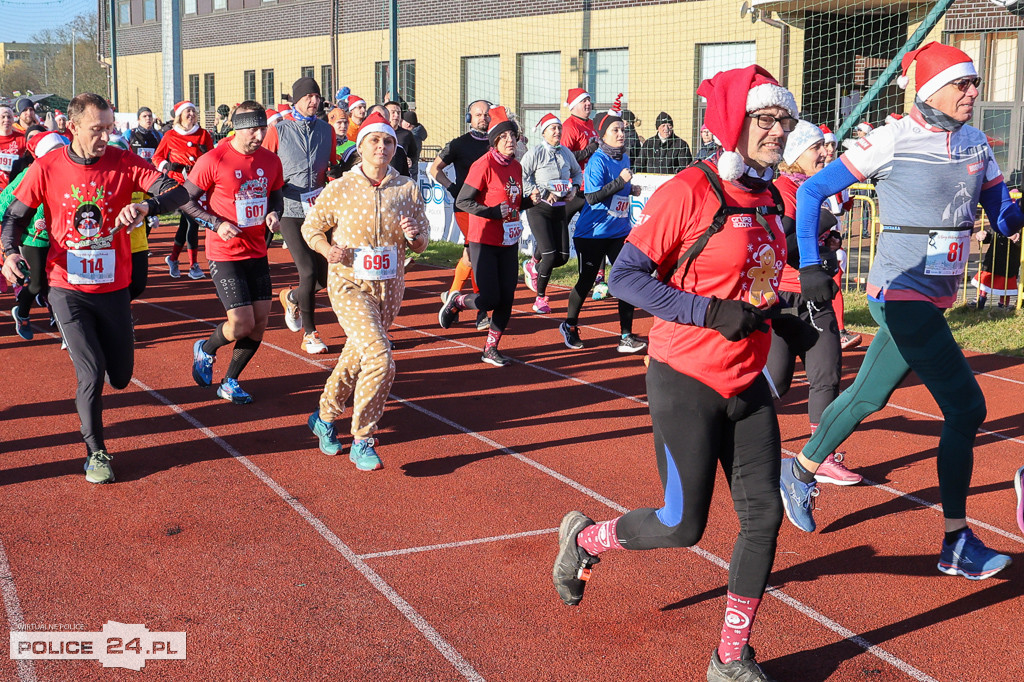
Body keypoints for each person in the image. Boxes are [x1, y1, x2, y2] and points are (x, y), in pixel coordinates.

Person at [553, 65, 796, 682]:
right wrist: (709, 311)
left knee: (763, 516)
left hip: (748, 382)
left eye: (783, 122)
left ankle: (730, 657)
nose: (777, 131)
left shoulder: (770, 197)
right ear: (734, 124)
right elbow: (626, 279)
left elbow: (760, 282)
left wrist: (800, 300)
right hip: (686, 378)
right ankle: (586, 540)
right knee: (681, 526)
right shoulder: (688, 191)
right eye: (766, 120)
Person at [780, 42, 1024, 580]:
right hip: (898, 292)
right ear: (931, 87)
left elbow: (1002, 222)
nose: (973, 92)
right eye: (963, 84)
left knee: (870, 394)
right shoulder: (891, 139)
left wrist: (1019, 209)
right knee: (968, 409)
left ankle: (799, 469)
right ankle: (956, 540)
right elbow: (812, 192)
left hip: (935, 296)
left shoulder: (978, 143)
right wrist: (812, 263)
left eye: (975, 83)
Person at [1, 93, 187, 484]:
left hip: (114, 287)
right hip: (65, 286)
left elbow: (179, 192)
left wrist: (146, 208)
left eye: (109, 127)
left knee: (120, 375)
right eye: (97, 128)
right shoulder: (48, 166)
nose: (106, 135)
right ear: (72, 128)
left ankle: (118, 341)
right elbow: (15, 217)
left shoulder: (124, 162)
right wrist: (8, 253)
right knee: (92, 371)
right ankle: (96, 452)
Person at [302, 111, 428, 469]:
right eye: (374, 140)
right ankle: (363, 437)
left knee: (357, 356)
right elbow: (311, 228)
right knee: (380, 357)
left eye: (388, 141)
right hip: (348, 283)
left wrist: (414, 236)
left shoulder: (405, 187)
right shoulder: (340, 187)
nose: (382, 147)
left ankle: (324, 416)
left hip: (390, 288)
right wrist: (328, 250)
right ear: (360, 147)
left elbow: (422, 241)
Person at [159, 101, 284, 404]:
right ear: (238, 129)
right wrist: (215, 223)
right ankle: (207, 348)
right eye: (254, 128)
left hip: (257, 249)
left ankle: (231, 381)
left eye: (262, 128)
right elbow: (184, 200)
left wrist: (274, 214)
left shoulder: (270, 160)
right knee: (241, 323)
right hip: (225, 252)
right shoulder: (213, 159)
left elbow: (276, 196)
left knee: (261, 321)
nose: (259, 134)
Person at [767, 120, 862, 486]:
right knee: (775, 382)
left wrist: (828, 243)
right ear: (794, 156)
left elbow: (813, 243)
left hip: (816, 299)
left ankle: (821, 456)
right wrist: (822, 222)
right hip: (783, 299)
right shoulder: (781, 190)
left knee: (827, 376)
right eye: (816, 148)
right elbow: (781, 249)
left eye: (826, 146)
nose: (825, 152)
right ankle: (723, 428)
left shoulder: (814, 187)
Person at [438, 106, 539, 366]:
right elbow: (464, 201)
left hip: (508, 240)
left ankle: (490, 348)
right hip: (484, 239)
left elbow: (512, 204)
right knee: (490, 298)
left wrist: (529, 201)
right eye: (504, 137)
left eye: (513, 137)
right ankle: (457, 301)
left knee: (508, 297)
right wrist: (493, 212)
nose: (510, 141)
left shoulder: (516, 166)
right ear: (494, 140)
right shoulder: (483, 164)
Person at [558, 98, 646, 354]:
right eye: (615, 130)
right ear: (603, 135)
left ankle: (626, 336)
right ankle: (570, 325)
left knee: (627, 280)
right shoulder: (597, 161)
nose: (621, 134)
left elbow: (619, 190)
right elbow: (593, 196)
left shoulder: (624, 158)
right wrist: (621, 182)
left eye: (623, 130)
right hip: (592, 233)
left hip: (619, 232)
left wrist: (631, 188)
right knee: (586, 281)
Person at [263, 76, 338, 355]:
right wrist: (272, 202)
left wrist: (335, 175)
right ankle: (310, 333)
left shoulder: (326, 130)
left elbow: (331, 165)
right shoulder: (279, 130)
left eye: (317, 96)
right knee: (306, 270)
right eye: (308, 97)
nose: (314, 101)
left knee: (322, 279)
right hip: (290, 209)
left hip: (318, 210)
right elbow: (265, 165)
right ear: (296, 100)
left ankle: (291, 297)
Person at [429, 100, 491, 328]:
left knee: (469, 256)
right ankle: (481, 309)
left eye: (486, 114)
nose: (482, 118)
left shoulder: (496, 143)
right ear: (469, 118)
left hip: (489, 209)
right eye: (478, 114)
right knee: (478, 255)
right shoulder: (458, 144)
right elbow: (434, 168)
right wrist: (453, 187)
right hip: (465, 208)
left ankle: (452, 297)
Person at [3, 130, 66, 340]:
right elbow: (4, 203)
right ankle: (21, 313)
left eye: (62, 150)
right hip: (34, 240)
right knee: (37, 283)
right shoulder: (29, 174)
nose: (60, 156)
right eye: (54, 152)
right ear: (42, 155)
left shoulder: (71, 173)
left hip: (62, 238)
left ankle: (64, 327)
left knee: (60, 283)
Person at [519, 113, 582, 313]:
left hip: (559, 210)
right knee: (549, 255)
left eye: (559, 128)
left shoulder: (565, 152)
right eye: (553, 129)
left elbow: (577, 172)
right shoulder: (536, 152)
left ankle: (533, 264)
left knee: (562, 257)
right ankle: (540, 299)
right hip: (539, 209)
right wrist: (542, 192)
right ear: (544, 132)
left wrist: (575, 188)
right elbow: (521, 175)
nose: (557, 132)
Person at [153, 100, 215, 280]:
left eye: (193, 111)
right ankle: (193, 265)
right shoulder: (170, 135)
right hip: (179, 186)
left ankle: (173, 258)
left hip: (199, 184)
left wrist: (206, 155)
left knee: (186, 223)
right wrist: (169, 165)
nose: (191, 115)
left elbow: (212, 157)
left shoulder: (203, 134)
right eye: (187, 112)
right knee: (193, 221)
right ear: (179, 115)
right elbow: (157, 157)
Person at [972, 227, 1021, 308]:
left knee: (1006, 283)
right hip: (993, 257)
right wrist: (985, 235)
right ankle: (979, 299)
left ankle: (1003, 304)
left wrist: (1016, 238)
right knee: (985, 278)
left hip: (1011, 260)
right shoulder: (1001, 221)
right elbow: (992, 234)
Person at [367, 104, 410, 177]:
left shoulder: (398, 151)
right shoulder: (355, 152)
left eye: (384, 120)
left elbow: (405, 180)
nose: (382, 146)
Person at [386, 100, 420, 181]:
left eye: (398, 113)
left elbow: (414, 154)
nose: (396, 115)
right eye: (393, 112)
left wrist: (411, 160)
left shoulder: (407, 134)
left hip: (400, 177)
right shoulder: (379, 132)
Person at [0, 105, 27, 190]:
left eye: (9, 117)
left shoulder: (22, 139)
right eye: (3, 117)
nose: (6, 120)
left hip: (16, 189)